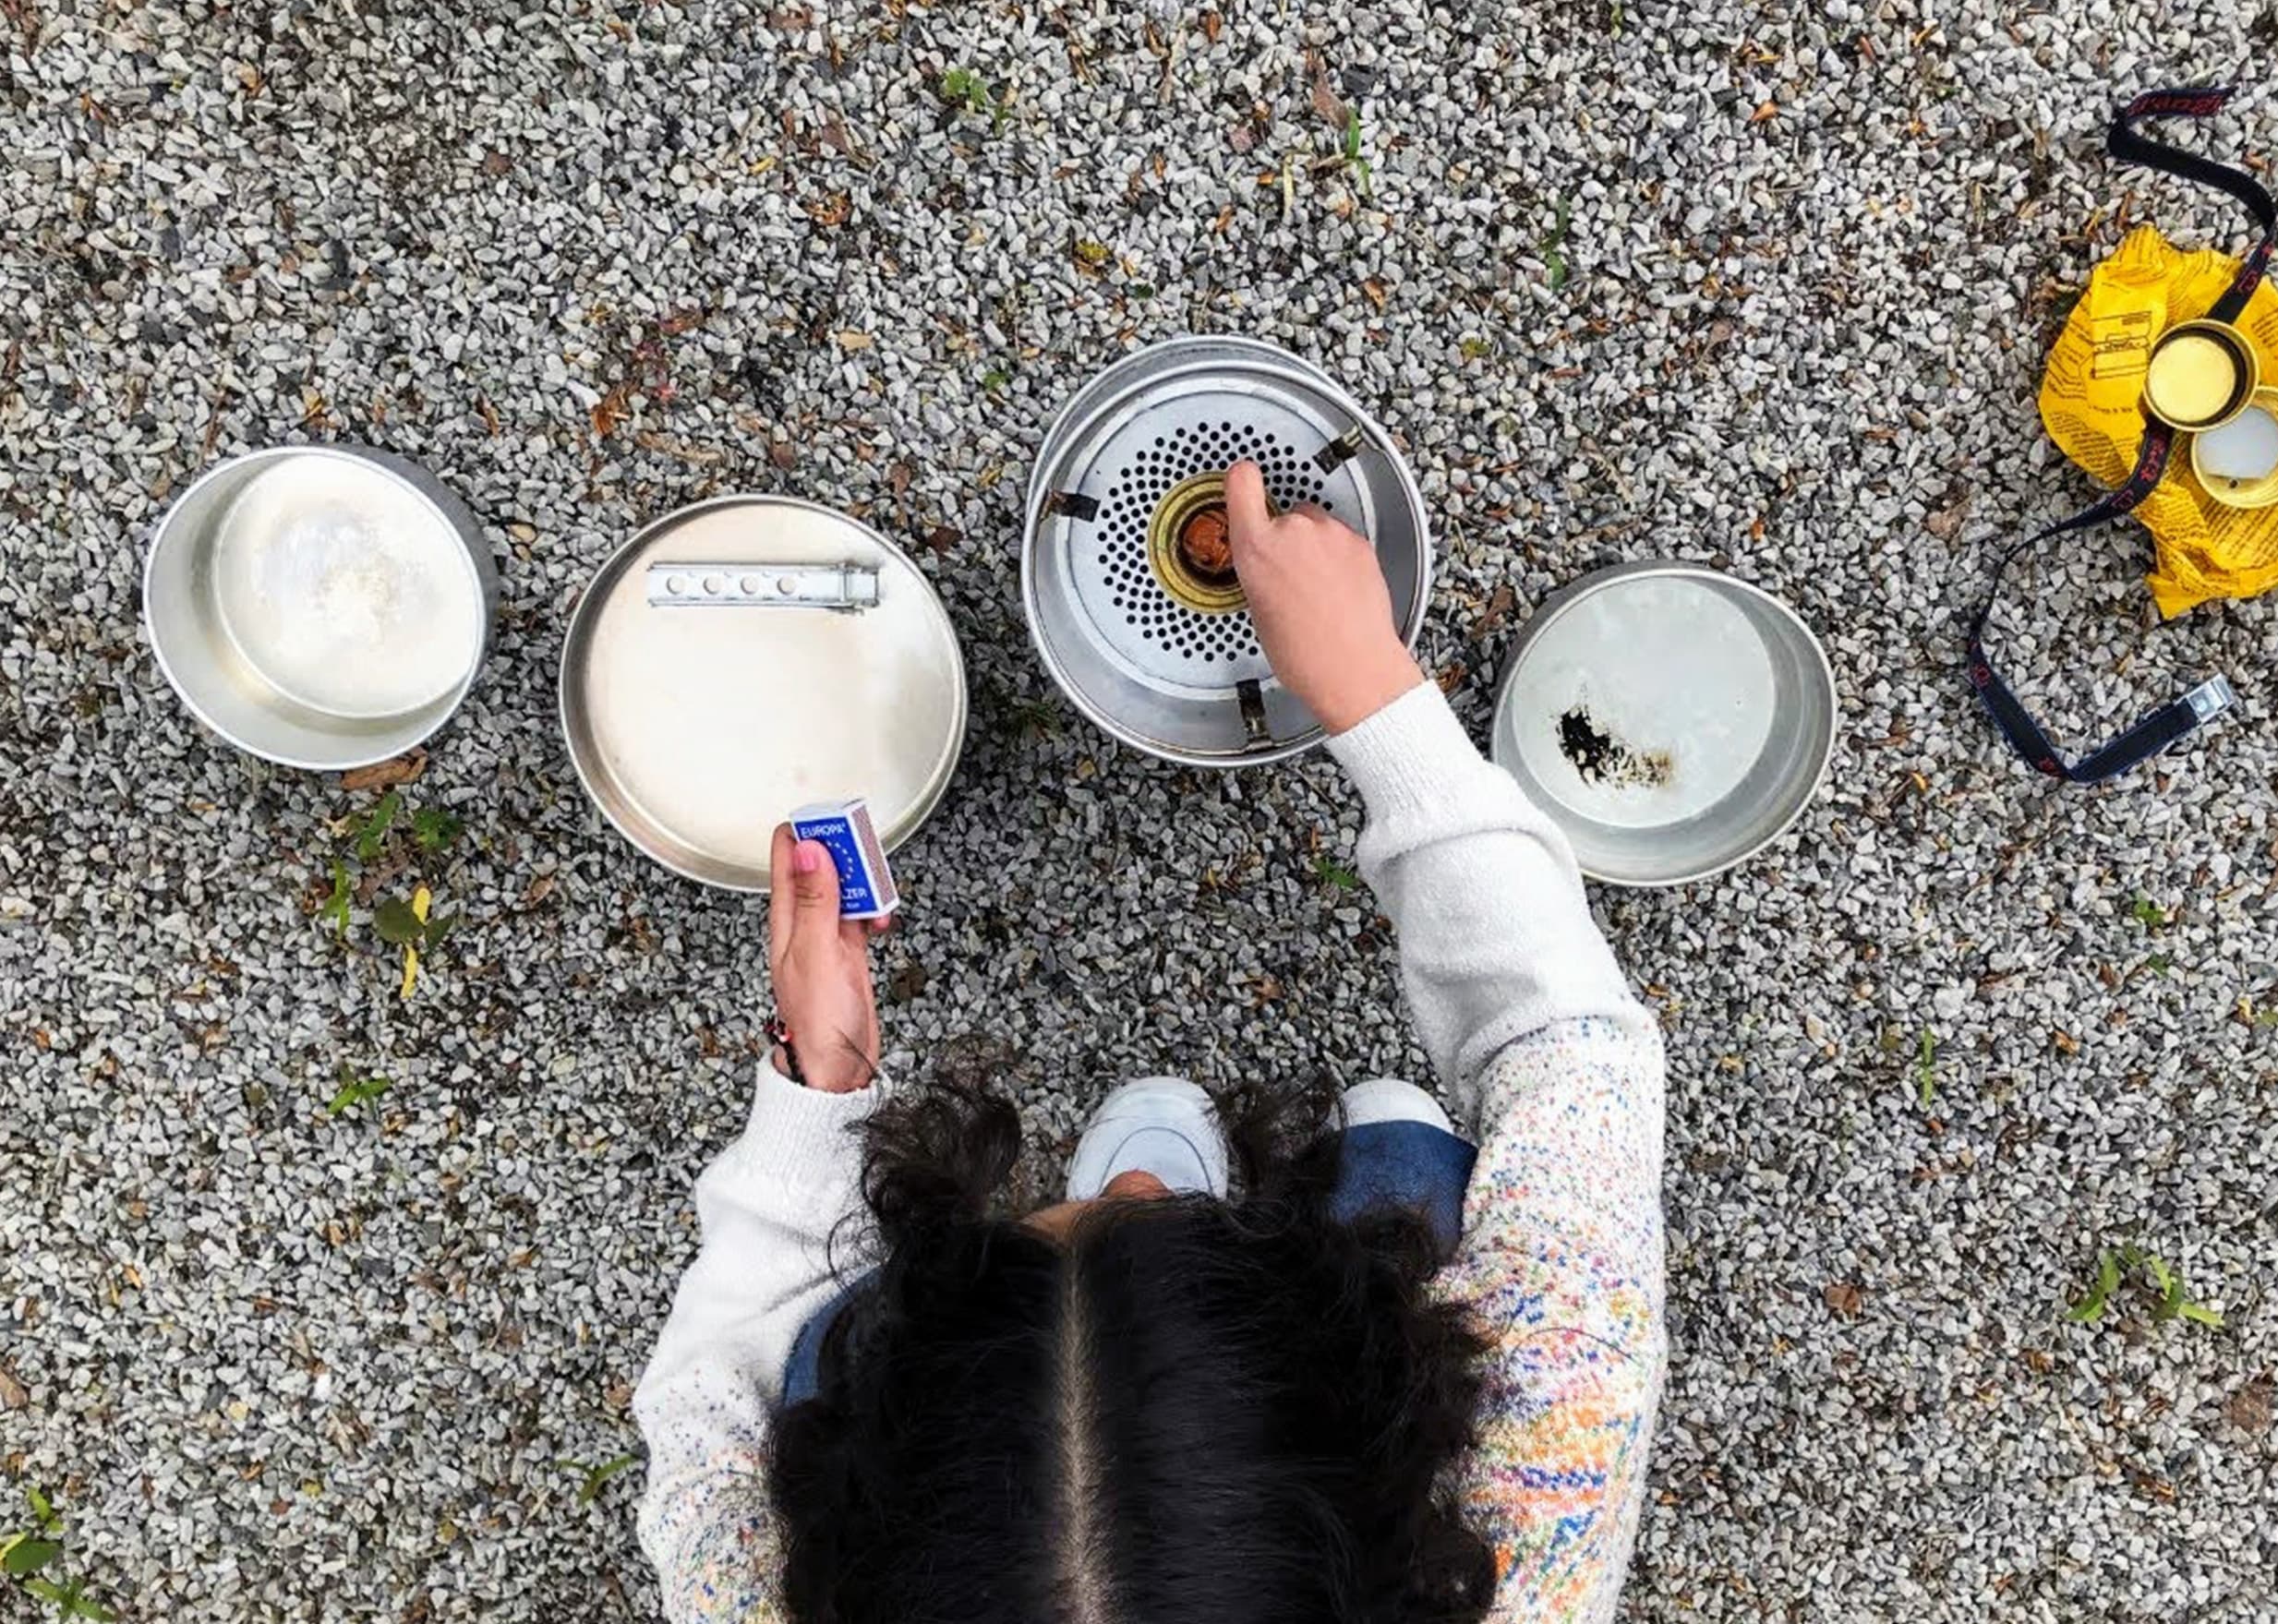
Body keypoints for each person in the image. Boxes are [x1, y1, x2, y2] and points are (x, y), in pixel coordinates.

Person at [633, 459, 1668, 1624]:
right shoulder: (1538, 1512)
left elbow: (710, 1402)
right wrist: (1377, 698)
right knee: (1402, 1166)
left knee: (817, 1345)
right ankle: (1344, 1181)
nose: (1130, 1178)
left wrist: (822, 1087)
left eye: (1077, 1214)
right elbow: (1568, 1051)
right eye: (1153, 1211)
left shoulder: (751, 1594)